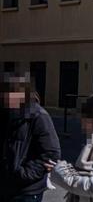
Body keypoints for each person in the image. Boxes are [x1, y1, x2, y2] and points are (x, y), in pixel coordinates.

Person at [1, 72, 61, 202]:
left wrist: (23, 174)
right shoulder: (6, 114)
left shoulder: (39, 116)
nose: (7, 97)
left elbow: (51, 154)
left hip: (27, 191)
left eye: (12, 93)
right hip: (5, 186)